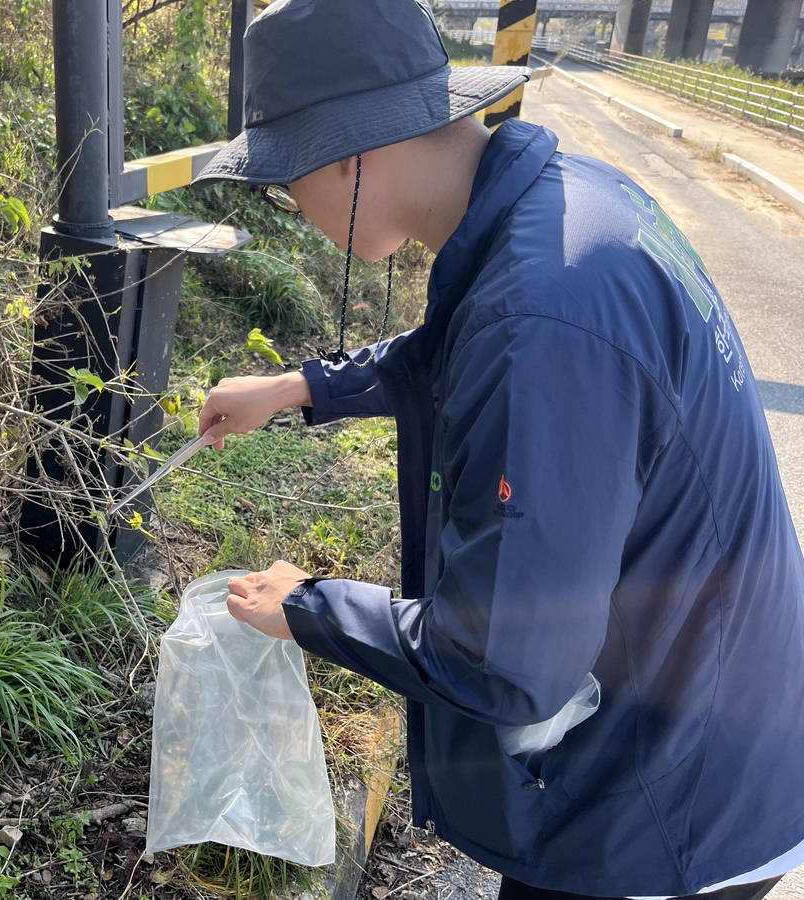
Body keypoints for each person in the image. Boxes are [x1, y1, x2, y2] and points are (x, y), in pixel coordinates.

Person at [189, 2, 804, 899]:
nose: (289, 200)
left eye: (287, 176)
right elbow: (454, 352)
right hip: (693, 706)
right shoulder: (559, 211)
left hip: (671, 806)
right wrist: (298, 388)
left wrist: (309, 608)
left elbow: (505, 660)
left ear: (350, 152)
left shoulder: (541, 317)